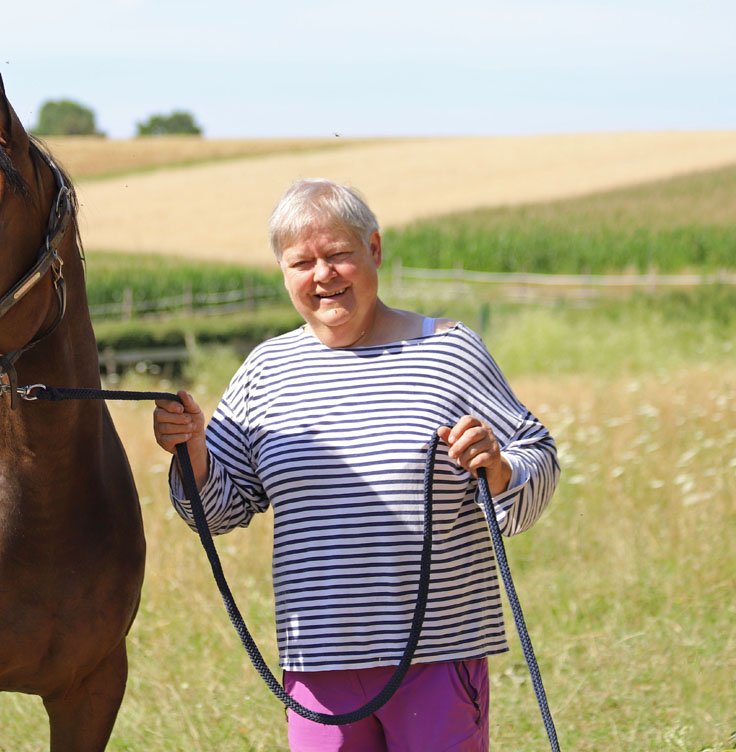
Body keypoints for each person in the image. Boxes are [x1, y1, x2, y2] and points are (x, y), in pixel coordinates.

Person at [152, 179, 559, 751]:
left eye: (339, 254)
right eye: (302, 262)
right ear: (283, 272)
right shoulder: (266, 371)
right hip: (318, 664)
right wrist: (191, 449)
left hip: (438, 655)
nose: (323, 275)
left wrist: (499, 469)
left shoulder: (449, 351)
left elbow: (537, 455)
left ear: (374, 249)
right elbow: (217, 509)